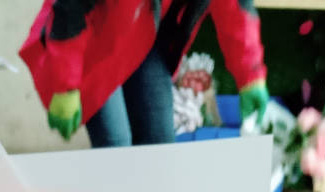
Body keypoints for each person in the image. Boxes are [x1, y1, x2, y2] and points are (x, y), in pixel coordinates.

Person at [20, 0, 268, 147]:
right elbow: (71, 8)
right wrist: (65, 85)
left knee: (158, 145)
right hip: (92, 40)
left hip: (149, 35)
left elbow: (234, 7)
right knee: (115, 146)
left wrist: (251, 77)